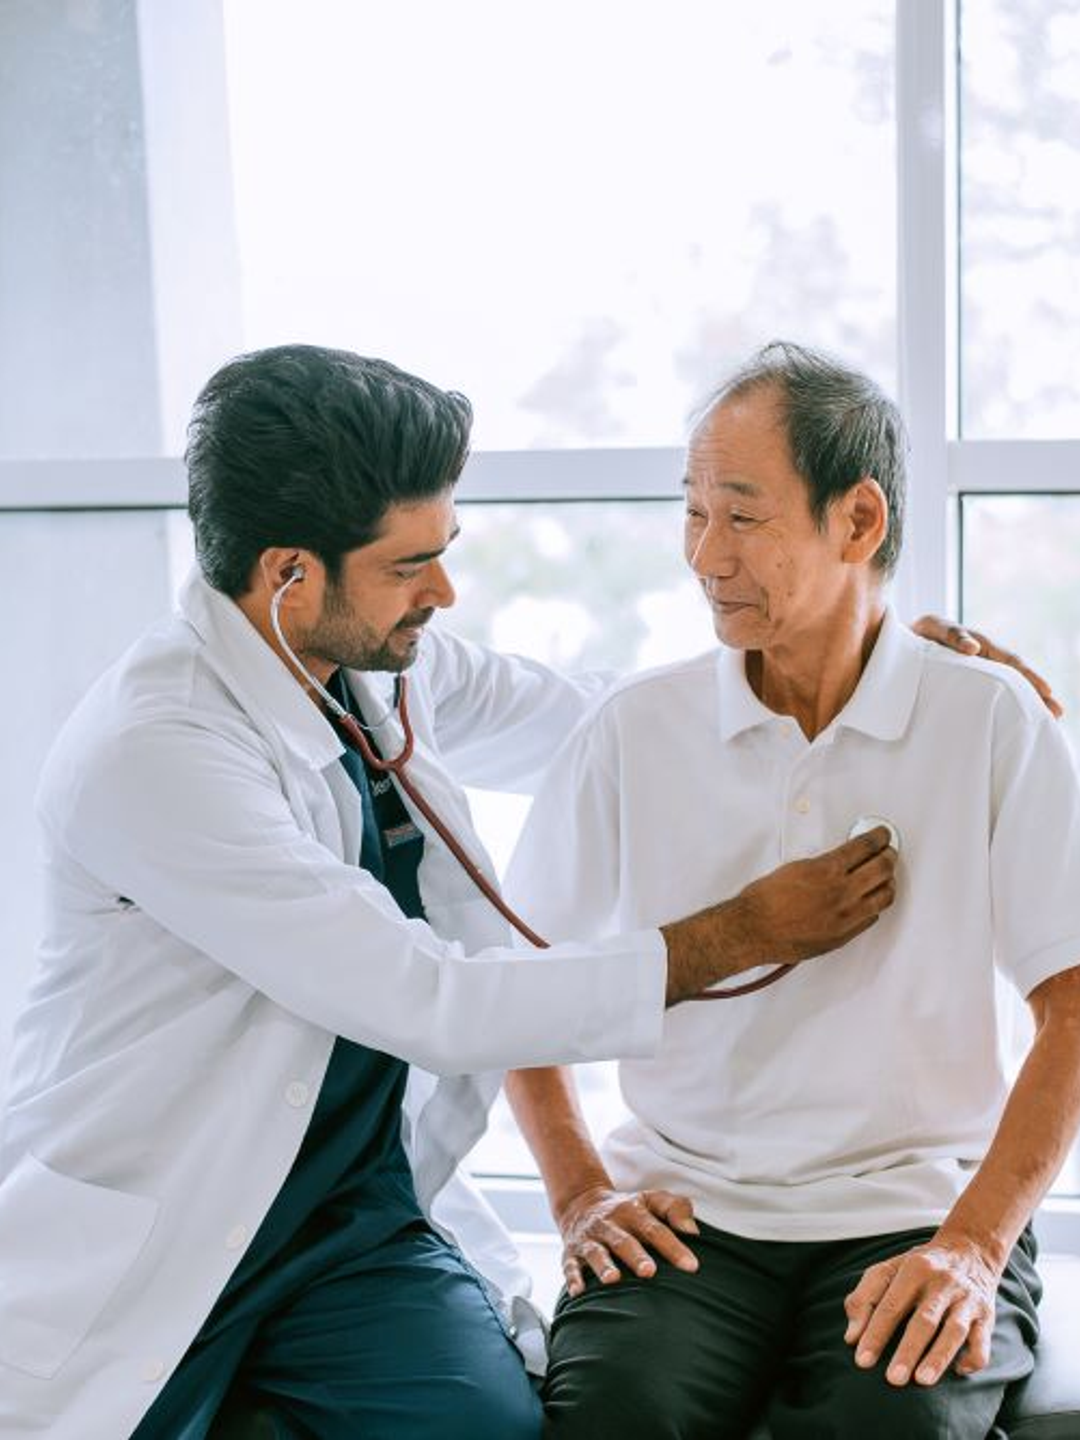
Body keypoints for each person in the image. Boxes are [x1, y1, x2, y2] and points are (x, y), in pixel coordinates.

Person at [0, 344, 1045, 1440]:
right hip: (162, 1219)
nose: (444, 593)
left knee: (493, 1431)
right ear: (289, 574)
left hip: (347, 1222)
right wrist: (737, 934)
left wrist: (864, 649)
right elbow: (432, 998)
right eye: (411, 566)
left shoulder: (376, 664)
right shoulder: (155, 751)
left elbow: (632, 718)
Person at [504, 341, 1080, 1440]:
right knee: (614, 1419)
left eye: (741, 515)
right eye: (691, 513)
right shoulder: (634, 728)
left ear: (857, 521)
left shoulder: (990, 718)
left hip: (917, 1206)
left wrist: (972, 1244)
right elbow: (521, 989)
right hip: (683, 1215)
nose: (704, 555)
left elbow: (1074, 1006)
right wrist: (580, 1196)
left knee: (892, 1428)